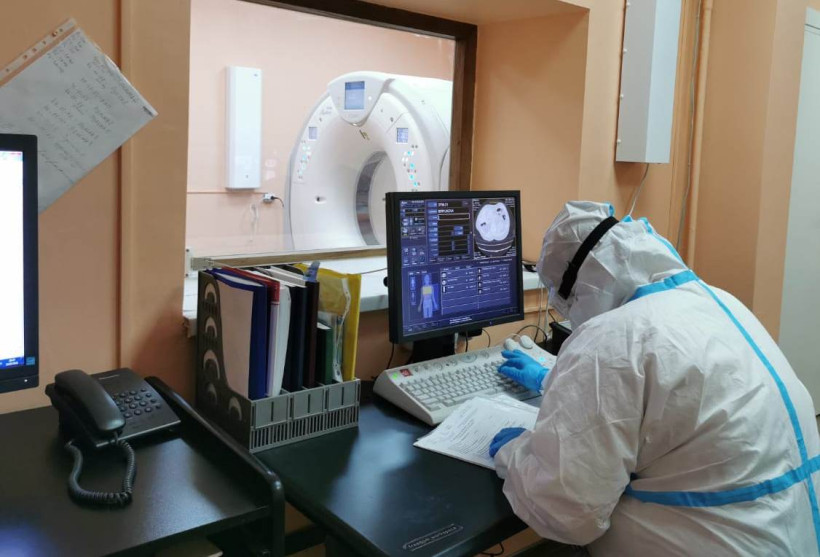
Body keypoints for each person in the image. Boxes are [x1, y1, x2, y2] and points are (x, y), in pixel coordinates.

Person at [491, 201, 820, 556]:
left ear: (580, 285)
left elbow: (565, 510)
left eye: (564, 300)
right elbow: (672, 397)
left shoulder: (611, 338)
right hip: (791, 534)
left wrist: (513, 454)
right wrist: (552, 380)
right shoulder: (715, 301)